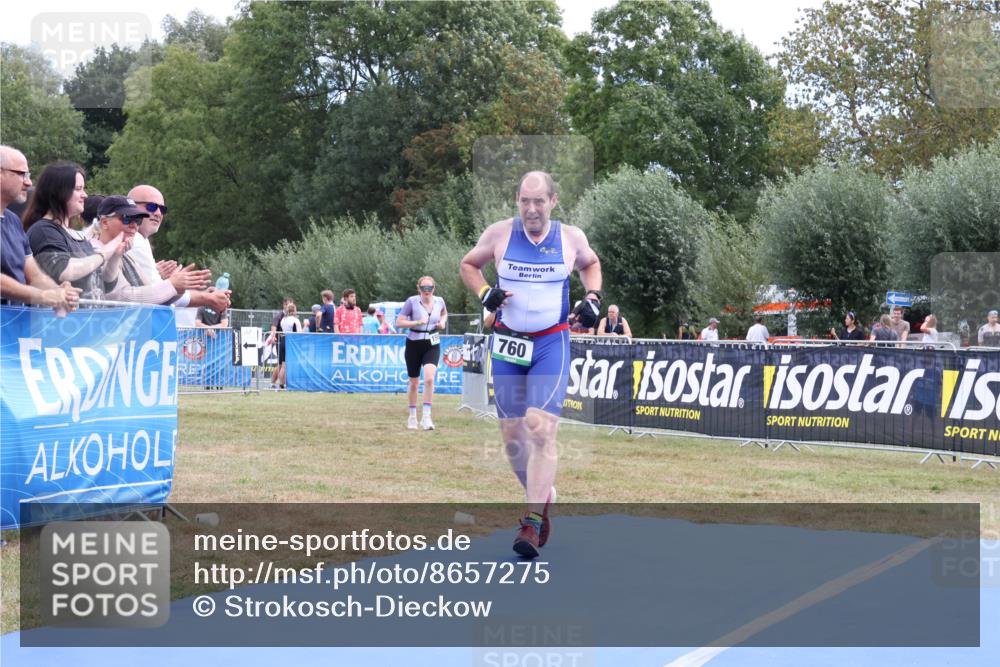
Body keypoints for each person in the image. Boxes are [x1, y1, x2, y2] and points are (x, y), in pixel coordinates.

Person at [460, 170, 602, 559]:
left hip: (550, 343)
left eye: (539, 201)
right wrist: (485, 292)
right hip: (507, 344)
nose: (532, 208)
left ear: (554, 202)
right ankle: (542, 495)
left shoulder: (571, 238)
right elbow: (469, 265)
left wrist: (592, 299)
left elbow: (591, 265)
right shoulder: (500, 234)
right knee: (512, 438)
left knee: (540, 428)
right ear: (517, 200)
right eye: (525, 200)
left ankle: (532, 521)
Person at [24, 162, 128, 301]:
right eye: (78, 189)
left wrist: (115, 256)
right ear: (59, 192)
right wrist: (105, 253)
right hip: (60, 320)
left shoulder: (76, 235)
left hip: (87, 320)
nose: (84, 195)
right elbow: (62, 270)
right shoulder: (43, 231)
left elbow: (104, 285)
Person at [0, 146, 81, 313]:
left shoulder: (13, 221)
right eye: (22, 174)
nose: (29, 182)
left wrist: (60, 293)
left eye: (28, 175)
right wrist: (42, 296)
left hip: (13, 328)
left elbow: (35, 276)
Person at [126, 184, 230, 312]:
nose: (158, 213)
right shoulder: (135, 240)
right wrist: (206, 297)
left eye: (162, 209)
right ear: (130, 207)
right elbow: (158, 295)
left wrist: (174, 285)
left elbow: (160, 293)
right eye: (151, 206)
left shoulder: (140, 239)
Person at [90, 196, 206, 304]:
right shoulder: (93, 252)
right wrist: (172, 284)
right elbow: (122, 297)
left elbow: (150, 291)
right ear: (105, 223)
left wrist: (178, 287)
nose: (134, 225)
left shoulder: (124, 255)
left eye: (138, 220)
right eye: (127, 219)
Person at [396, 276, 448, 431]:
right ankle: (412, 416)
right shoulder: (411, 301)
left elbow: (445, 313)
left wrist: (442, 322)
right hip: (413, 342)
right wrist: (417, 322)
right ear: (418, 288)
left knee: (430, 379)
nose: (427, 291)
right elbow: (399, 322)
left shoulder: (440, 301)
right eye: (424, 288)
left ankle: (427, 417)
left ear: (434, 288)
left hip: (432, 342)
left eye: (430, 288)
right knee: (414, 382)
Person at [266, 297, 294, 389]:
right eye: (287, 304)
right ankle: (280, 384)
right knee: (282, 364)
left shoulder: (291, 317)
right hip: (280, 342)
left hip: (288, 343)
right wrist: (273, 336)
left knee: (281, 364)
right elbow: (273, 326)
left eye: (291, 304)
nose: (289, 306)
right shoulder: (279, 316)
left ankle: (273, 383)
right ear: (284, 305)